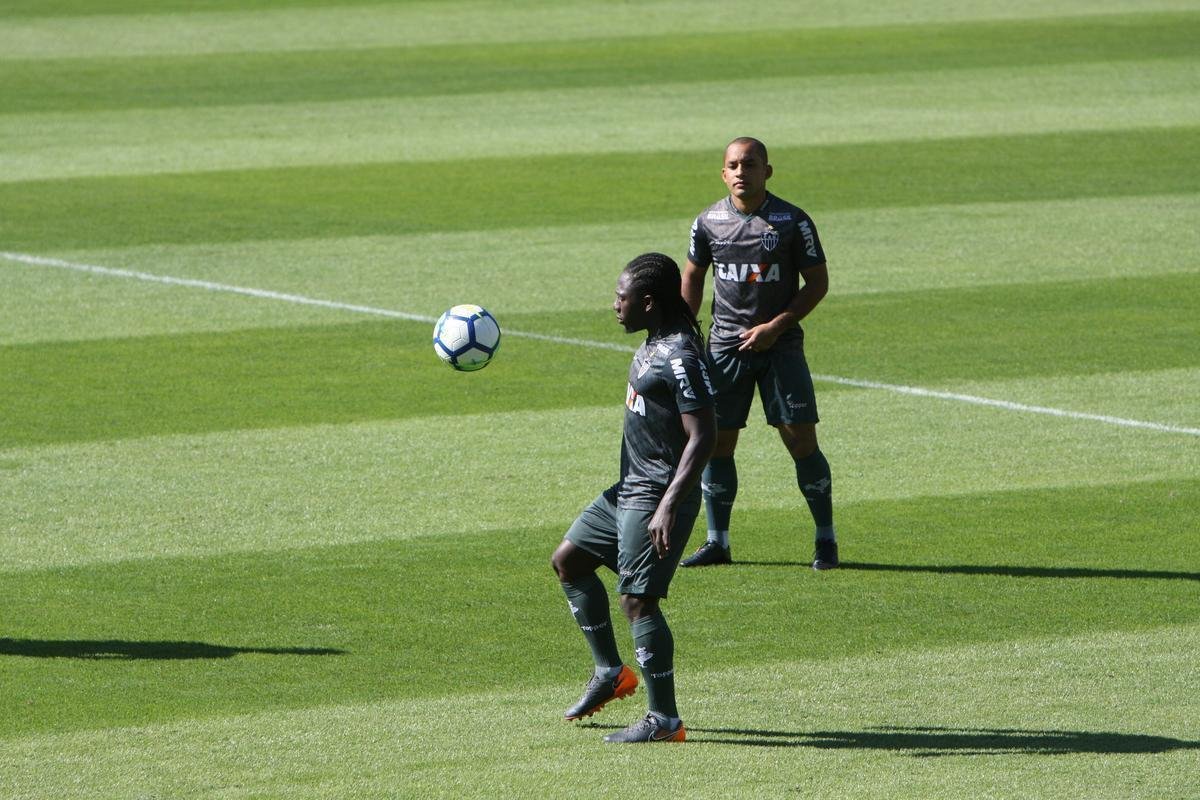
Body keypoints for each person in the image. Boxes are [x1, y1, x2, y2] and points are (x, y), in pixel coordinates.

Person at [551, 252, 716, 744]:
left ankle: (664, 719)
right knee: (569, 562)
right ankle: (610, 672)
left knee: (638, 601)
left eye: (620, 298)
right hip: (627, 490)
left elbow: (704, 434)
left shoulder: (680, 356)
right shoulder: (653, 343)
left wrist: (668, 504)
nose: (613, 305)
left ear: (647, 303)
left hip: (656, 495)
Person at [678, 137, 838, 570]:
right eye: (733, 165)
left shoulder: (792, 220)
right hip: (724, 349)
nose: (741, 172)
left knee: (801, 441)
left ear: (768, 171)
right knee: (717, 445)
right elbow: (693, 275)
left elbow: (818, 284)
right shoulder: (708, 221)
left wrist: (775, 327)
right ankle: (718, 542)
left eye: (750, 164)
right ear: (723, 173)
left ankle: (825, 538)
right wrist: (684, 330)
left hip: (780, 349)